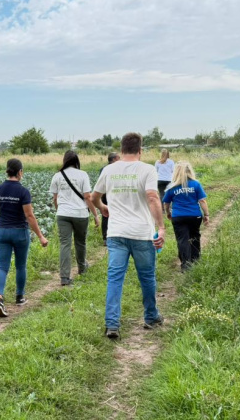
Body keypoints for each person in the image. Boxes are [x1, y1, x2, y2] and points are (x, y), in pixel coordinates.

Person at [91, 132, 166, 339]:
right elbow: (152, 197)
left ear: (122, 149)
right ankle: (151, 316)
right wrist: (161, 227)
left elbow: (94, 196)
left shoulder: (109, 170)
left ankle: (112, 324)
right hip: (142, 233)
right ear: (140, 150)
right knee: (147, 276)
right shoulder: (147, 169)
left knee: (115, 278)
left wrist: (102, 207)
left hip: (116, 233)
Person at [0, 158, 49, 317]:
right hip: (20, 232)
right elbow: (29, 215)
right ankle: (19, 297)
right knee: (20, 266)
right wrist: (41, 236)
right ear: (20, 172)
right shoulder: (23, 191)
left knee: (2, 267)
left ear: (7, 171)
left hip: (2, 231)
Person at [49, 151, 99, 286]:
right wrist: (95, 214)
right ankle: (82, 268)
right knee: (80, 242)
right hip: (80, 214)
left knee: (65, 244)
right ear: (77, 161)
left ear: (64, 160)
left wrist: (59, 209)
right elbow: (88, 197)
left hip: (63, 214)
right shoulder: (83, 175)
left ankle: (64, 277)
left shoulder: (57, 176)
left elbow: (55, 198)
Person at [163, 162, 209, 271]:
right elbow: (202, 200)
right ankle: (195, 260)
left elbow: (166, 203)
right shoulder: (196, 184)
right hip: (194, 216)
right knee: (194, 237)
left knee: (182, 240)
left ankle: (186, 265)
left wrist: (168, 213)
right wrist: (206, 214)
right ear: (190, 171)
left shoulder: (172, 186)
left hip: (178, 217)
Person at [99, 152, 120, 245]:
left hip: (105, 194)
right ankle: (116, 236)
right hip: (116, 194)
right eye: (119, 158)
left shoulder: (103, 169)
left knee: (105, 216)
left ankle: (105, 238)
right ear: (115, 159)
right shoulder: (118, 168)